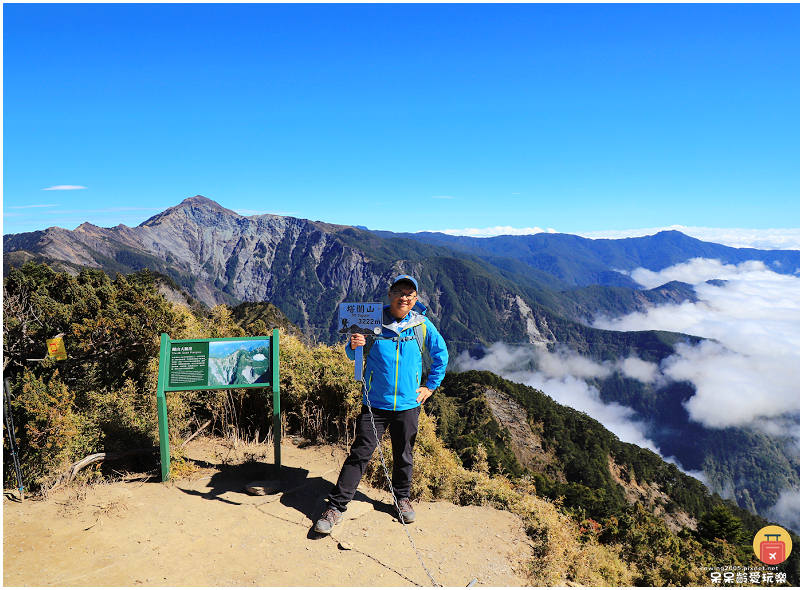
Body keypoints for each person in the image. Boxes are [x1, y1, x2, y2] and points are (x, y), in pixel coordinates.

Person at [315, 274, 449, 534]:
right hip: (375, 401)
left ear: (416, 299)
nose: (404, 298)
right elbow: (351, 352)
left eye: (410, 294)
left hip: (409, 403)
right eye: (400, 292)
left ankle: (402, 499)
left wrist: (430, 387)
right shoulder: (370, 319)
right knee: (360, 454)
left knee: (404, 454)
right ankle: (336, 507)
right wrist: (353, 345)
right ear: (390, 295)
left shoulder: (422, 325)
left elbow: (440, 354)